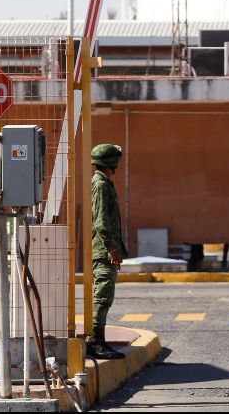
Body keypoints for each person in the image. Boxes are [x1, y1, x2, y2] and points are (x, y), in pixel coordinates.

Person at [87, 144, 128, 360]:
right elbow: (100, 220)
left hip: (106, 249)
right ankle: (95, 341)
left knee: (105, 295)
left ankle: (99, 340)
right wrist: (111, 249)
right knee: (102, 296)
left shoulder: (104, 183)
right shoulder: (100, 185)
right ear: (111, 162)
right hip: (104, 250)